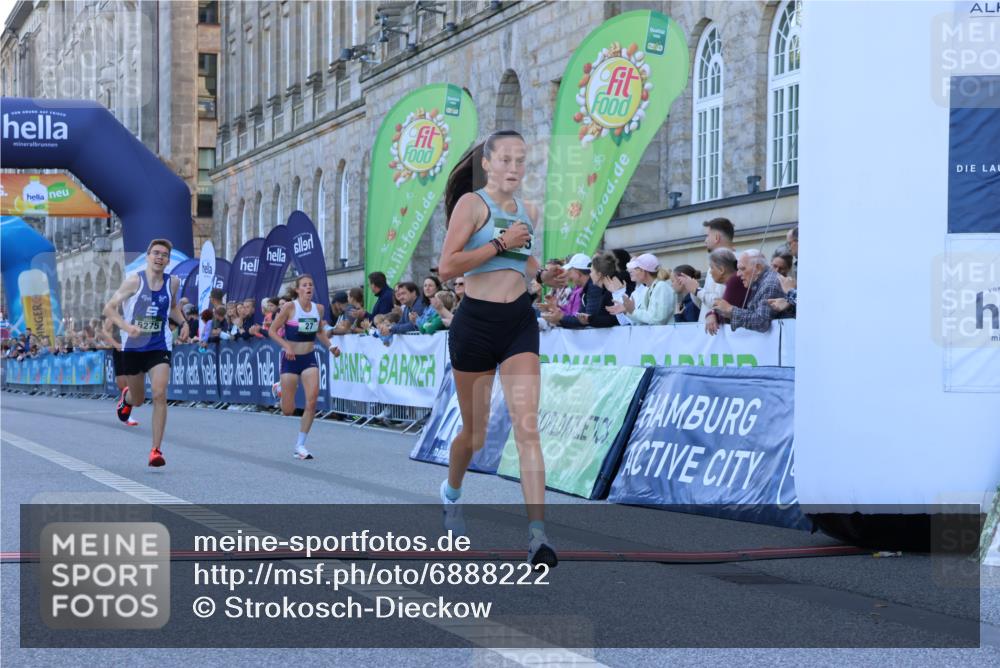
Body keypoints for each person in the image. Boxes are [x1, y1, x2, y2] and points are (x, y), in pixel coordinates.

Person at [437, 129, 558, 568]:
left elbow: (521, 262)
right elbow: (448, 265)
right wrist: (499, 242)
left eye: (520, 160)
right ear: (487, 164)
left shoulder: (530, 211)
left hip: (518, 324)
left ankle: (537, 537)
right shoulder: (473, 205)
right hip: (476, 325)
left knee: (528, 427)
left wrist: (543, 275)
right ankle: (451, 494)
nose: (513, 168)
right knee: (475, 434)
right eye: (505, 159)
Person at [103, 239, 188, 466]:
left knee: (160, 393)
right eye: (156, 253)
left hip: (159, 344)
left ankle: (156, 450)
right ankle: (127, 398)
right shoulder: (134, 281)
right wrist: (127, 327)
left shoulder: (173, 283)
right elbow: (109, 308)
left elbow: (172, 307)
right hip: (133, 346)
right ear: (148, 256)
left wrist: (184, 322)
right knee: (139, 399)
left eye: (164, 255)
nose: (160, 257)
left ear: (168, 260)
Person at [268, 274, 339, 460]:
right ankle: (280, 389)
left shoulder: (319, 309)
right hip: (290, 360)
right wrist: (287, 346)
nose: (309, 288)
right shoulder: (289, 307)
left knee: (312, 401)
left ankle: (300, 444)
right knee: (288, 410)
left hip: (309, 358)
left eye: (311, 285)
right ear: (298, 289)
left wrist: (331, 346)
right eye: (305, 285)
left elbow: (320, 333)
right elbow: (272, 331)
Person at [676, 217, 738, 328]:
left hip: (721, 332)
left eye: (707, 235)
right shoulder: (715, 264)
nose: (705, 240)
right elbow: (704, 305)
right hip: (709, 332)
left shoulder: (730, 263)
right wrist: (693, 289)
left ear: (716, 237)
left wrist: (697, 290)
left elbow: (720, 302)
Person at [713, 250, 786, 333]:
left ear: (758, 268)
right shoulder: (761, 281)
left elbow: (761, 322)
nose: (738, 274)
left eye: (742, 269)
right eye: (738, 269)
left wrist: (731, 310)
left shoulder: (770, 284)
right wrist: (713, 314)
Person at [607, 253, 675, 325]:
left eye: (635, 269)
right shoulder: (650, 289)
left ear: (643, 271)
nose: (629, 271)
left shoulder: (662, 287)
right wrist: (627, 311)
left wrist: (632, 311)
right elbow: (642, 320)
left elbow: (658, 319)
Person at [101, 317, 139, 427]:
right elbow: (105, 331)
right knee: (123, 385)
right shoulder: (115, 312)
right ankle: (126, 412)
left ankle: (126, 410)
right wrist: (115, 344)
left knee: (132, 385)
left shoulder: (135, 308)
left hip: (133, 350)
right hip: (120, 350)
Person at [703, 248, 744, 334]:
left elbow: (723, 315)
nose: (710, 272)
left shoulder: (734, 281)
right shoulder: (735, 280)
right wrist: (711, 313)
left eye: (711, 267)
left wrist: (712, 314)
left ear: (721, 270)